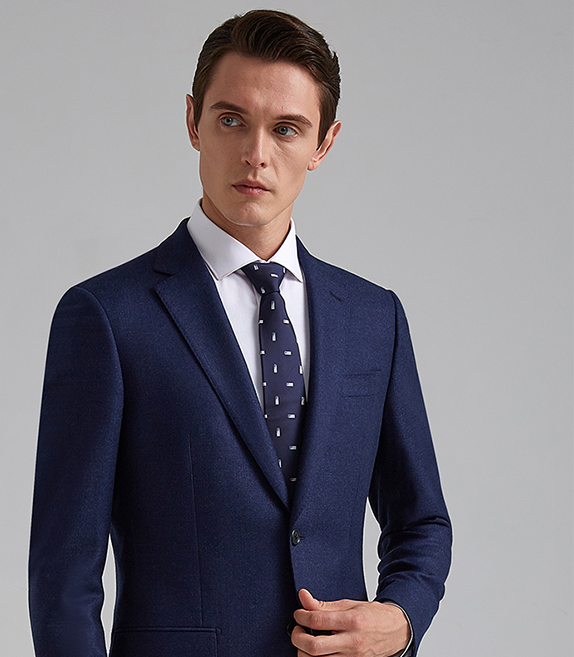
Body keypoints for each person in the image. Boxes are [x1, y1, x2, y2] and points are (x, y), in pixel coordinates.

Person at [29, 9, 451, 657]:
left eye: (286, 128)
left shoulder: (374, 318)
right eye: (231, 120)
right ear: (193, 121)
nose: (256, 153)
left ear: (324, 143)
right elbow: (63, 575)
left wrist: (401, 618)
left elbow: (421, 520)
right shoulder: (108, 317)